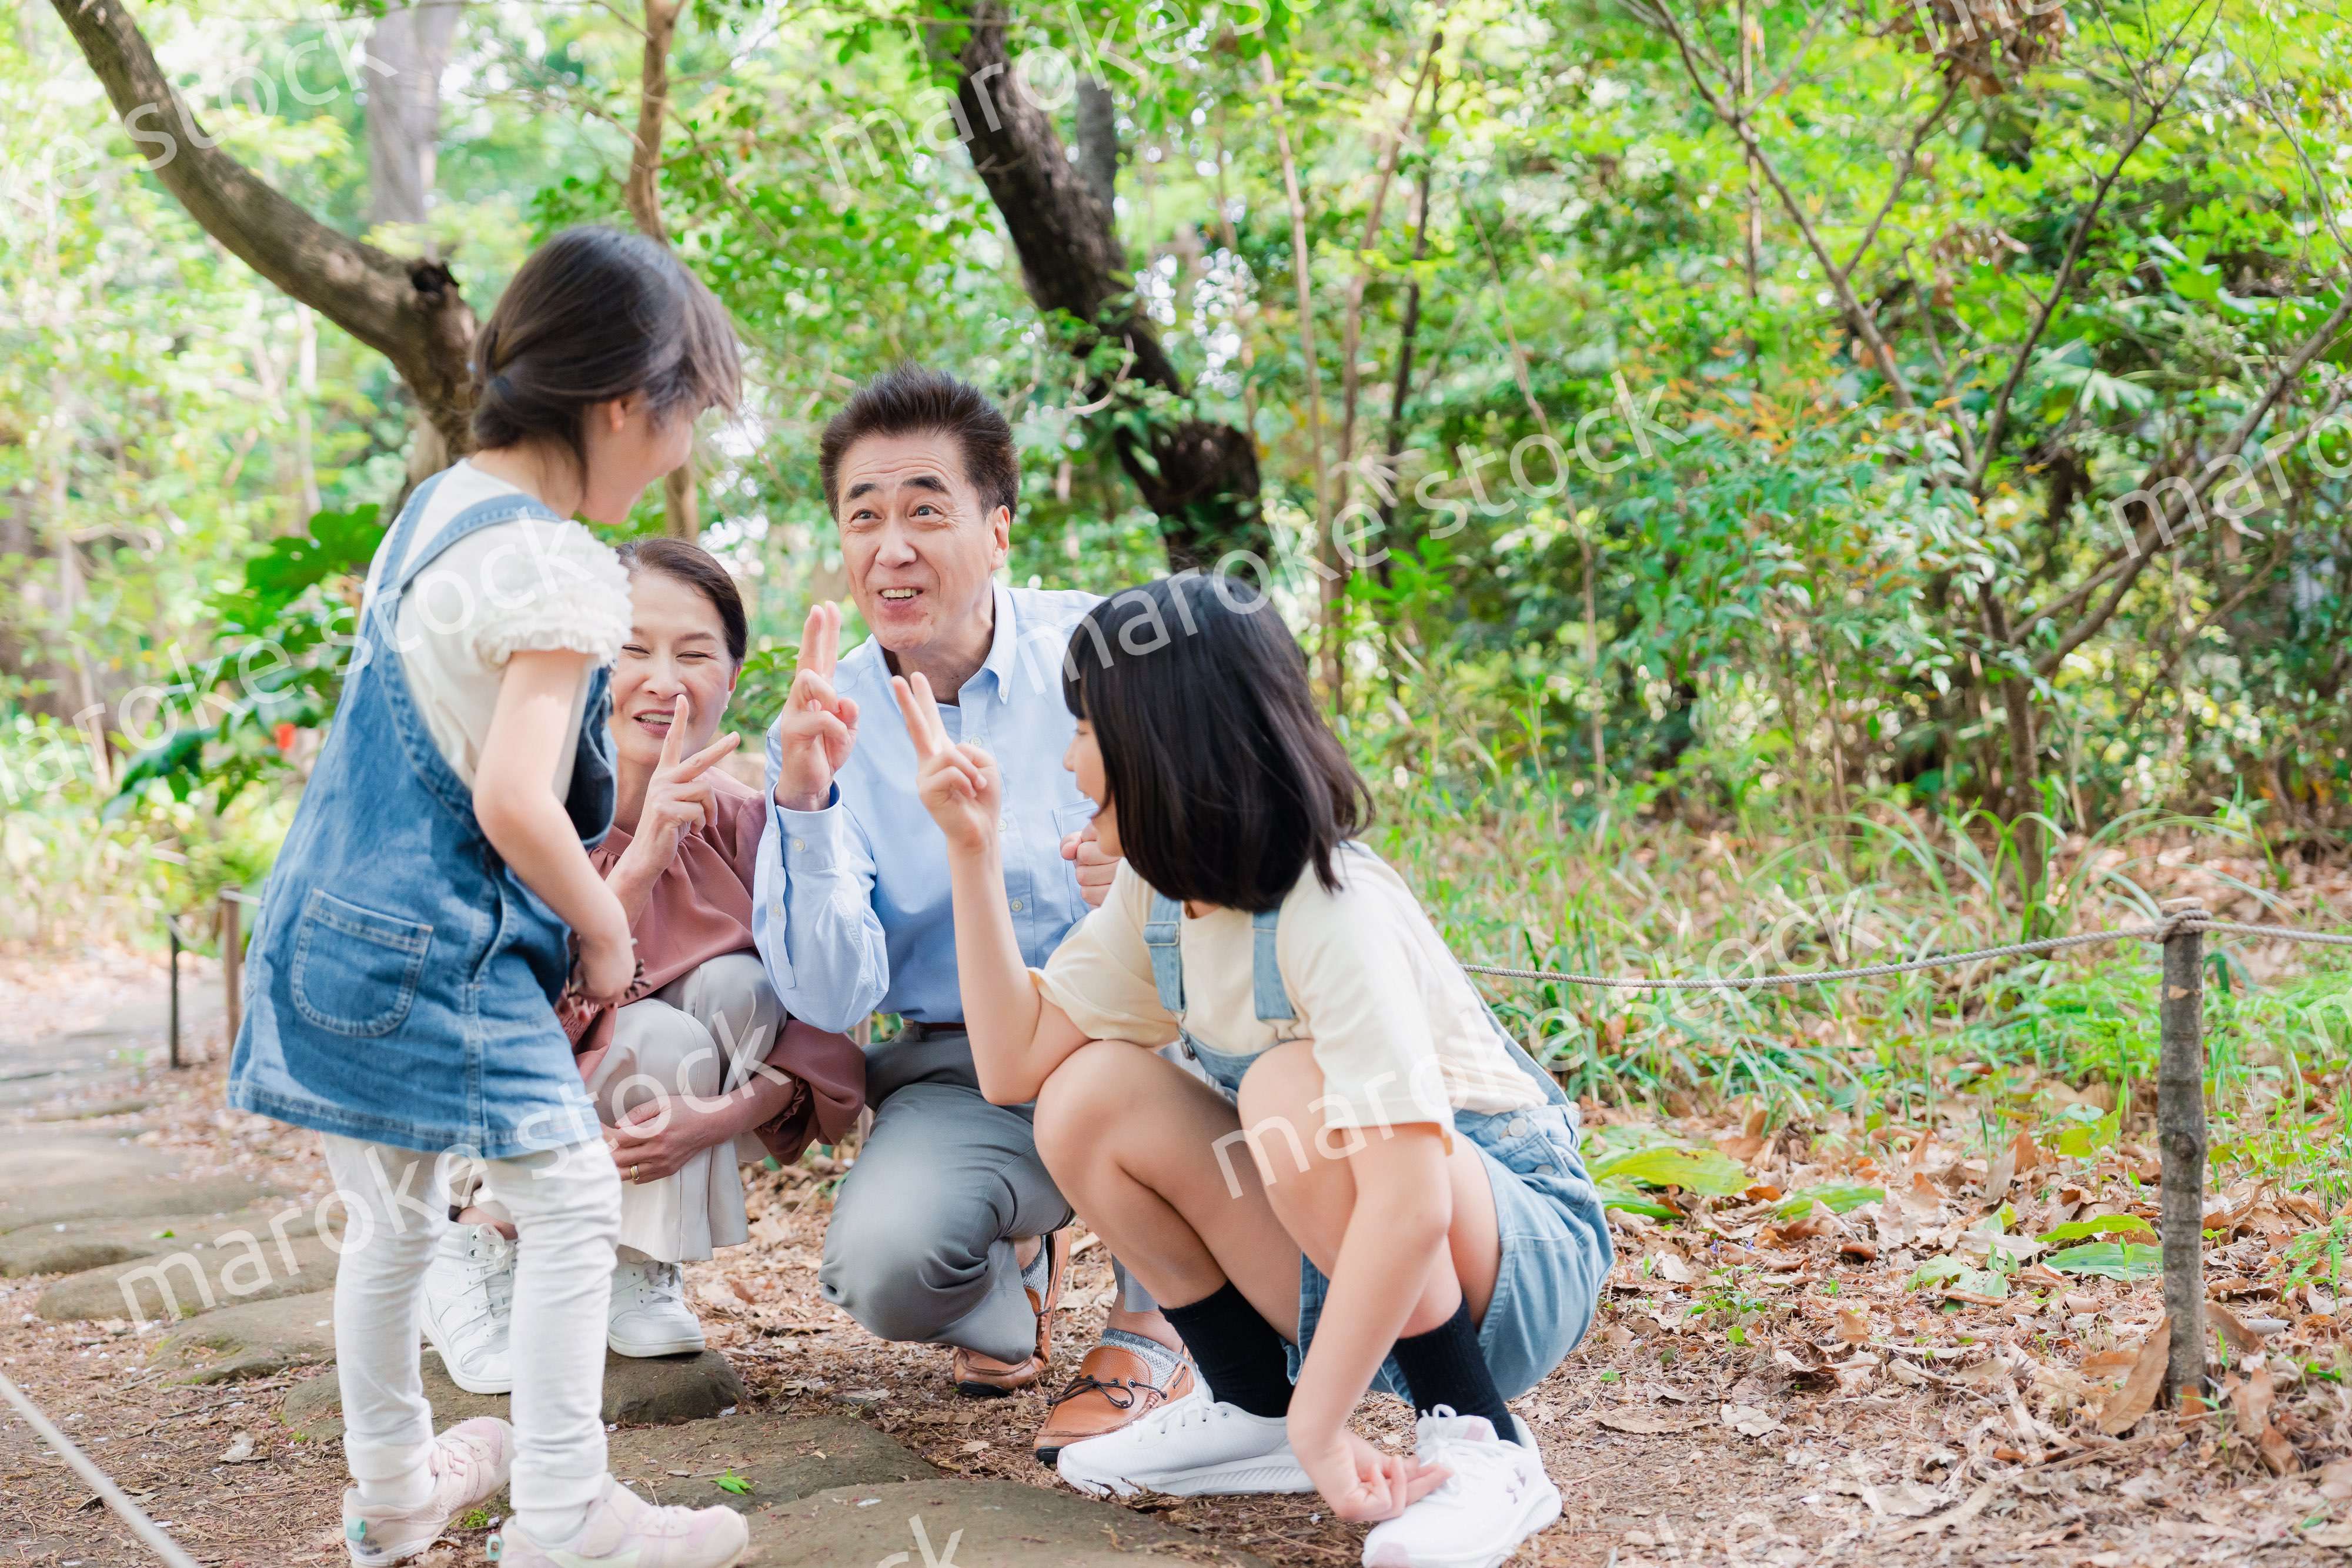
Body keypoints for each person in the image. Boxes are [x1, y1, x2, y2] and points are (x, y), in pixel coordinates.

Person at [889, 574, 1613, 1568]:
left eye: (1087, 728)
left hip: (1511, 1254)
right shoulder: (1162, 897)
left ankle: (1480, 1433)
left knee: (1286, 1091)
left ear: (1163, 743)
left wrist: (1332, 1424)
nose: (1068, 758)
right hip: (1359, 1243)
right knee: (1085, 1099)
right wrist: (969, 851)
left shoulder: (1332, 907)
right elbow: (1014, 1064)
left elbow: (1409, 1201)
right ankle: (1251, 1407)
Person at [226, 228, 753, 1568]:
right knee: (573, 1197)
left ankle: (394, 1490)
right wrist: (605, 923)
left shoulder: (437, 512)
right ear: (626, 403)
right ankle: (568, 1513)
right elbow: (517, 800)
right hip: (435, 950)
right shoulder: (560, 563)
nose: (680, 451)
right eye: (686, 413)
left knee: (395, 1218)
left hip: (325, 933)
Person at [751, 366, 1191, 1460]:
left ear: (997, 533)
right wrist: (805, 801)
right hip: (961, 1070)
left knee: (1188, 1017)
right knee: (884, 1269)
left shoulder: (1110, 651)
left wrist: (1151, 874)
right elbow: (833, 998)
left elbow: (1243, 833)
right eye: (864, 517)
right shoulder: (824, 725)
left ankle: (1158, 1321)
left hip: (1145, 1034)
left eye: (925, 510)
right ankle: (1018, 1273)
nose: (891, 548)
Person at [420, 539, 866, 1391]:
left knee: (742, 985)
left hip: (655, 1102)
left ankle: (636, 1257)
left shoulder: (747, 821)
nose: (664, 681)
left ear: (731, 679)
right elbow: (491, 1029)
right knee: (659, 1036)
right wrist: (641, 861)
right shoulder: (515, 808)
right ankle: (477, 1238)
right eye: (632, 650)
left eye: (694, 655)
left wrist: (718, 1116)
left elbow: (828, 1032)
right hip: (494, 1113)